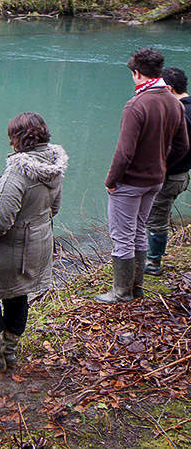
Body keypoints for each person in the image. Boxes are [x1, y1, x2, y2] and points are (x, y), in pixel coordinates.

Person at [0, 112, 68, 373]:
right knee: (18, 293)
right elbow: (53, 209)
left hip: (11, 249)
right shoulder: (54, 168)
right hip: (39, 244)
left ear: (16, 140)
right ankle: (9, 352)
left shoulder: (17, 175)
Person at [97, 48, 189, 303]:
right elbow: (183, 146)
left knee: (122, 236)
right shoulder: (174, 102)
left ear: (137, 73)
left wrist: (111, 181)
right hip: (156, 181)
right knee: (139, 231)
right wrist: (160, 163)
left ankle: (121, 291)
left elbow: (124, 152)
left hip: (131, 182)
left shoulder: (136, 105)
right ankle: (136, 287)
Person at [145, 67, 191, 276]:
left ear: (170, 89)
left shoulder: (179, 113)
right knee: (158, 215)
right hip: (182, 176)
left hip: (170, 175)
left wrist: (158, 168)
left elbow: (177, 148)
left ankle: (153, 263)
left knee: (156, 218)